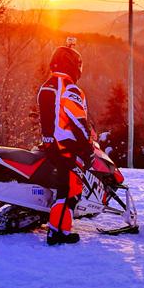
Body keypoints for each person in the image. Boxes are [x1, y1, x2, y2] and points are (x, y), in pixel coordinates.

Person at [35, 40, 91, 246]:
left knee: (62, 190)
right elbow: (78, 121)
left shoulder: (47, 86)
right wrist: (88, 149)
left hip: (51, 146)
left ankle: (57, 229)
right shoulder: (70, 88)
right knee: (67, 192)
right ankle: (58, 233)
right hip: (67, 147)